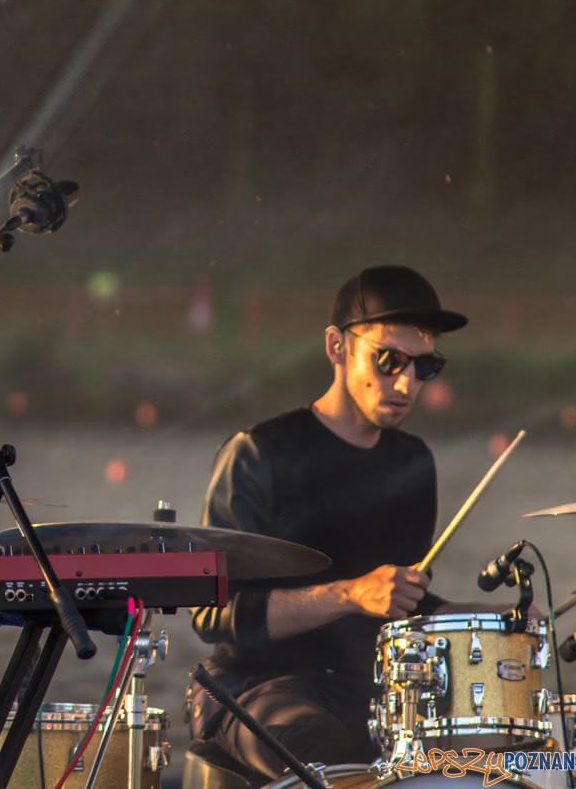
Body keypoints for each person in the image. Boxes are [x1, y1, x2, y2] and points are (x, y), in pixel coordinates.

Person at [188, 265, 491, 783]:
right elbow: (210, 614)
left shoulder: (414, 463)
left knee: (492, 752)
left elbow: (401, 603)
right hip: (255, 688)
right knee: (318, 748)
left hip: (367, 691)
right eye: (389, 359)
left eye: (425, 367)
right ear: (337, 347)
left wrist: (503, 621)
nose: (406, 382)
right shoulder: (258, 454)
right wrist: (350, 594)